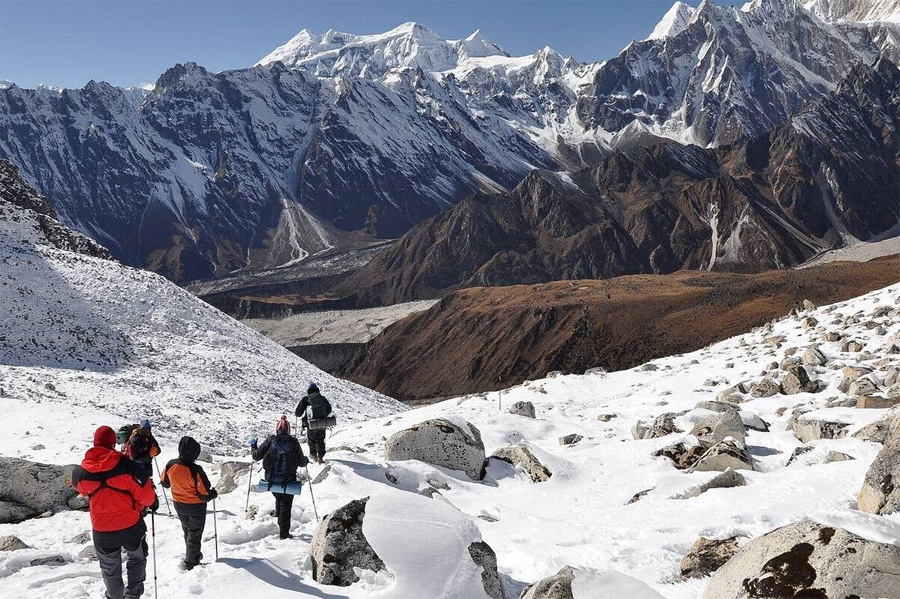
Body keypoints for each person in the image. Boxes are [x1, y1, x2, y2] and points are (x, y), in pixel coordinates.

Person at [72, 426, 158, 599]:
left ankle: (114, 596)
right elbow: (147, 497)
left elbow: (79, 487)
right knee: (137, 559)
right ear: (114, 443)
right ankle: (133, 595)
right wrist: (152, 503)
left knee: (110, 569)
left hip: (102, 530)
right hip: (131, 526)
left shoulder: (81, 473)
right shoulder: (127, 466)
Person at [160, 436, 218, 570]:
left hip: (179, 504)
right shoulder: (196, 469)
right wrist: (212, 494)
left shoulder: (171, 464)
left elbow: (164, 483)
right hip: (196, 507)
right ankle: (191, 563)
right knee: (194, 534)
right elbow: (203, 495)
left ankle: (193, 554)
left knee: (187, 530)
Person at [250, 415, 308, 539]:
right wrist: (306, 460)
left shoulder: (271, 440)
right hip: (288, 481)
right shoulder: (293, 442)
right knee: (286, 504)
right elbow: (302, 462)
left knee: (279, 498)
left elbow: (256, 456)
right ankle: (284, 534)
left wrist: (253, 446)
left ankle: (280, 522)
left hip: (272, 481)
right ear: (288, 430)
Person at [294, 383, 333, 464]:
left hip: (310, 424)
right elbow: (329, 409)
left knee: (311, 440)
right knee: (320, 440)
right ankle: (320, 457)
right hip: (321, 423)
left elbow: (298, 413)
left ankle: (314, 456)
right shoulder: (322, 398)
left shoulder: (306, 399)